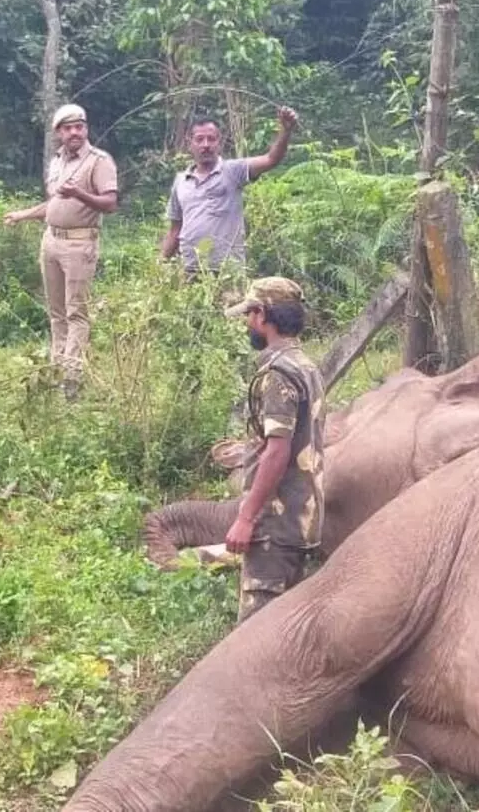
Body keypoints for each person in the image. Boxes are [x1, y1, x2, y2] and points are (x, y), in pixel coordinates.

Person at [221, 276, 325, 623]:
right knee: (290, 633)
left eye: (249, 314)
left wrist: (246, 518)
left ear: (263, 316)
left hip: (275, 527)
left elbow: (278, 452)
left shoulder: (277, 373)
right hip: (303, 519)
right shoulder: (306, 366)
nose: (247, 324)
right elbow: (296, 437)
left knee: (256, 638)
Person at [3, 103, 120, 399]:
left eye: (79, 126)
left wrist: (79, 193)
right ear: (58, 133)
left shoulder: (98, 160)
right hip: (51, 241)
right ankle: (57, 371)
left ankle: (72, 379)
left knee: (76, 312)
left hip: (80, 244)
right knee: (56, 313)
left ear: (86, 129)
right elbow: (54, 205)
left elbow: (110, 203)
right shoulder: (57, 161)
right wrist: (22, 215)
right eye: (68, 128)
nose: (75, 132)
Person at [159, 106, 299, 278]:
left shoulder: (233, 171)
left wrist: (285, 131)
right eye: (199, 139)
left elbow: (271, 159)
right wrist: (161, 264)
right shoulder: (181, 181)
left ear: (219, 142)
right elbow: (175, 229)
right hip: (190, 270)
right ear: (190, 143)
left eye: (211, 139)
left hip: (227, 271)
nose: (206, 145)